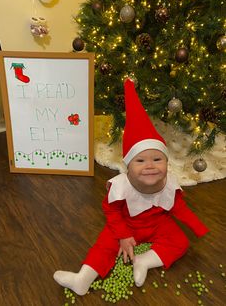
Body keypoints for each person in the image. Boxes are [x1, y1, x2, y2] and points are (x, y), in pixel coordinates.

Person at [53, 79, 209, 295]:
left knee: (180, 241)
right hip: (127, 225)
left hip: (157, 224)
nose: (150, 166)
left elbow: (178, 206)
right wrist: (124, 235)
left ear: (167, 163)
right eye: (140, 161)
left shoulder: (169, 182)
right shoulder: (121, 185)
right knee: (105, 246)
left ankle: (144, 261)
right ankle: (83, 279)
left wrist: (197, 227)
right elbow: (111, 210)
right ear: (128, 166)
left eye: (157, 159)